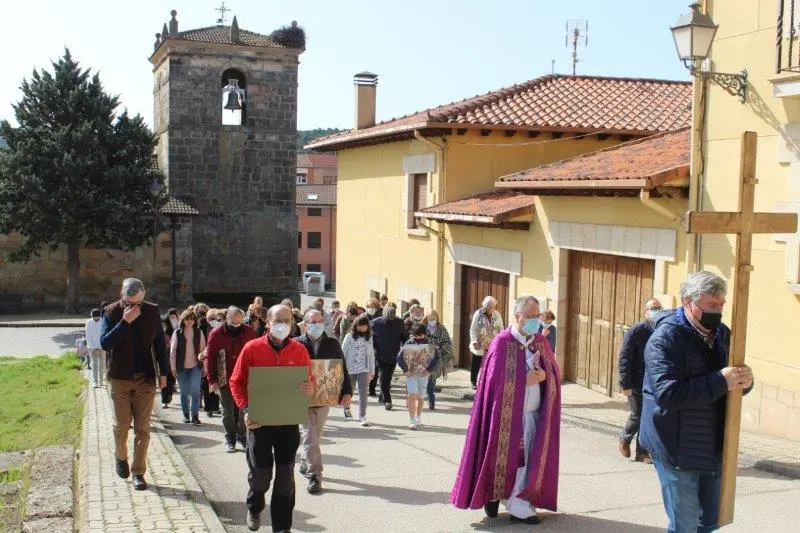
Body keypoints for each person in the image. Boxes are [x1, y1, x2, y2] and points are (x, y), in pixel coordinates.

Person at [640, 272, 754, 533]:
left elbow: (731, 381)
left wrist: (745, 380)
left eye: (721, 304)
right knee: (685, 525)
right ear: (687, 302)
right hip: (676, 448)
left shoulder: (723, 334)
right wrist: (721, 381)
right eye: (711, 305)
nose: (718, 311)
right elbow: (668, 394)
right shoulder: (665, 339)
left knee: (710, 522)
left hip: (713, 447)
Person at [451, 295, 561, 525]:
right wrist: (524, 380)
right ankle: (496, 496)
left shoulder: (540, 341)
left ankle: (518, 503)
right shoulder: (502, 342)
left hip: (532, 415)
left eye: (537, 316)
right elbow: (493, 381)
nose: (534, 321)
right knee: (504, 459)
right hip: (506, 417)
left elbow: (552, 372)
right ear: (516, 316)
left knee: (527, 459)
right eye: (529, 316)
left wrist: (545, 375)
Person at [229, 304, 315, 532]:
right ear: (267, 322)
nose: (282, 325)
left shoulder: (299, 350)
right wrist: (246, 409)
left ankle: (282, 526)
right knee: (261, 475)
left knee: (285, 478)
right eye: (278, 320)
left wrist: (309, 389)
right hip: (260, 423)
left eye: (287, 320)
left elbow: (310, 382)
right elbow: (236, 381)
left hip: (288, 424)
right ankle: (254, 507)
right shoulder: (252, 348)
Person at [100, 278, 169, 491]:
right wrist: (125, 322)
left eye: (137, 302)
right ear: (122, 294)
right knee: (122, 425)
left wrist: (164, 373)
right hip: (119, 377)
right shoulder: (111, 311)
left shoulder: (152, 311)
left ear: (143, 295)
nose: (133, 306)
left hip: (145, 378)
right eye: (128, 302)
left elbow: (160, 344)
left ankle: (138, 472)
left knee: (143, 427)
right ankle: (120, 456)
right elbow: (105, 343)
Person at [294, 309, 352, 494]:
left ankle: (305, 462)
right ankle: (315, 476)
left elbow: (342, 368)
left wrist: (347, 392)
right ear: (305, 324)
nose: (317, 324)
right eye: (313, 322)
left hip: (324, 398)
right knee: (310, 437)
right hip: (302, 399)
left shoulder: (332, 343)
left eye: (320, 321)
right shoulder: (296, 344)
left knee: (315, 437)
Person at [617, 298, 662, 463]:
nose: (656, 311)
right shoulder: (637, 330)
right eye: (653, 308)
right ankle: (624, 438)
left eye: (659, 308)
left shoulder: (661, 328)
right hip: (635, 380)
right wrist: (625, 382)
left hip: (653, 382)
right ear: (645, 312)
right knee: (637, 414)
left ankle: (642, 453)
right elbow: (624, 356)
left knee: (647, 416)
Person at [207, 306, 257, 452]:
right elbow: (211, 358)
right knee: (227, 410)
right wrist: (212, 380)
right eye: (233, 323)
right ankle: (230, 438)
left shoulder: (249, 331)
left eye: (239, 323)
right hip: (225, 378)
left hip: (245, 378)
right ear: (227, 318)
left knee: (243, 409)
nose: (236, 326)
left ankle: (242, 436)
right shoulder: (216, 333)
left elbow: (255, 353)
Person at [397, 323, 439, 429]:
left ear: (425, 334)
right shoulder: (409, 343)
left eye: (421, 335)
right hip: (411, 374)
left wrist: (429, 370)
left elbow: (436, 359)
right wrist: (405, 370)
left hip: (423, 374)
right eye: (416, 335)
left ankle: (418, 417)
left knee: (421, 396)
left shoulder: (429, 344)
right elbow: (400, 357)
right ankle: (412, 419)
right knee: (412, 395)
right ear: (413, 334)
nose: (418, 338)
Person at [170, 309, 206, 425]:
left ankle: (195, 415)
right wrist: (173, 369)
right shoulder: (177, 333)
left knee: (195, 390)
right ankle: (186, 415)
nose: (189, 321)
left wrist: (205, 367)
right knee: (184, 392)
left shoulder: (199, 332)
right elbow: (173, 352)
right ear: (183, 320)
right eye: (187, 319)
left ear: (195, 320)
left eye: (191, 319)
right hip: (181, 367)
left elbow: (203, 350)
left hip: (196, 366)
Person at [370, 305, 409, 409]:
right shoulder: (375, 323)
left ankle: (382, 397)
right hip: (380, 354)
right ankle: (387, 401)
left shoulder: (399, 322)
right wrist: (374, 349)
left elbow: (405, 337)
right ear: (384, 315)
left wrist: (406, 347)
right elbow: (369, 338)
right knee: (383, 377)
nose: (390, 319)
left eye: (392, 317)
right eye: (388, 318)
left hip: (394, 354)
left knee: (388, 378)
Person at [341, 315, 376, 427]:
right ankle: (346, 408)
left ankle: (362, 415)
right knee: (349, 391)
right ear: (355, 326)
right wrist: (341, 368)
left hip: (363, 368)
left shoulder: (369, 338)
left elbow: (371, 355)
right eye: (360, 325)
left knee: (363, 392)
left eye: (364, 325)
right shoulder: (349, 337)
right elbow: (343, 352)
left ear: (367, 326)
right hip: (350, 368)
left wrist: (372, 370)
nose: (362, 328)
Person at [468, 296, 504, 390]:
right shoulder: (478, 314)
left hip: (492, 343)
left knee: (489, 364)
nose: (490, 309)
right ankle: (473, 382)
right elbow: (473, 329)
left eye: (492, 306)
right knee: (476, 363)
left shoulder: (497, 315)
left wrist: (501, 342)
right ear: (484, 305)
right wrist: (474, 341)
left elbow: (501, 329)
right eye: (488, 306)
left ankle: (486, 383)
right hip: (479, 343)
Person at [424, 309, 454, 410]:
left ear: (437, 318)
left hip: (437, 357)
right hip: (424, 357)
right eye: (430, 319)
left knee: (432, 378)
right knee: (426, 377)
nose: (432, 321)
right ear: (426, 318)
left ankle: (430, 396)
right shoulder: (422, 327)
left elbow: (447, 342)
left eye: (434, 319)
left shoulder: (442, 328)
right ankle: (430, 397)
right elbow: (416, 339)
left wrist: (440, 347)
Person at [195, 303, 221, 417]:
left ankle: (216, 406)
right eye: (210, 318)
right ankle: (209, 407)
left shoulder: (221, 328)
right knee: (207, 383)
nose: (212, 320)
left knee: (218, 382)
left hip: (219, 358)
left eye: (215, 318)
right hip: (206, 357)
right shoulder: (203, 326)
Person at [160, 308, 179, 408]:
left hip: (174, 355)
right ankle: (165, 400)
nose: (173, 319)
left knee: (171, 378)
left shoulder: (179, 326)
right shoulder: (162, 325)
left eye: (174, 317)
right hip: (163, 355)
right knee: (164, 376)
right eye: (171, 317)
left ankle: (169, 395)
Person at [85, 309, 105, 387]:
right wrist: (92, 348)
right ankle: (95, 381)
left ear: (100, 316)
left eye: (97, 317)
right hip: (92, 347)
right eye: (94, 317)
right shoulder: (89, 322)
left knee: (102, 365)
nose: (96, 319)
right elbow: (88, 336)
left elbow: (104, 334)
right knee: (94, 364)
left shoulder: (103, 321)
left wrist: (102, 347)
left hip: (102, 347)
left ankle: (101, 381)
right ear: (92, 316)